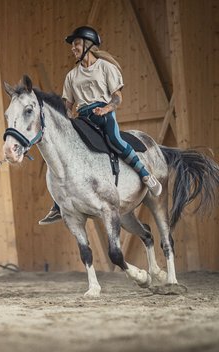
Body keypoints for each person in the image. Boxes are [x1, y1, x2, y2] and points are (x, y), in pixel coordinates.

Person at [39, 25, 163, 225]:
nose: (73, 48)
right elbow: (67, 105)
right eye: (73, 45)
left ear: (88, 45)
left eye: (77, 44)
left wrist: (106, 109)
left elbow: (117, 97)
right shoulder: (71, 76)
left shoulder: (106, 68)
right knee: (62, 151)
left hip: (103, 114)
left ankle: (145, 174)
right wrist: (66, 118)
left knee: (114, 139)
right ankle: (58, 204)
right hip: (83, 117)